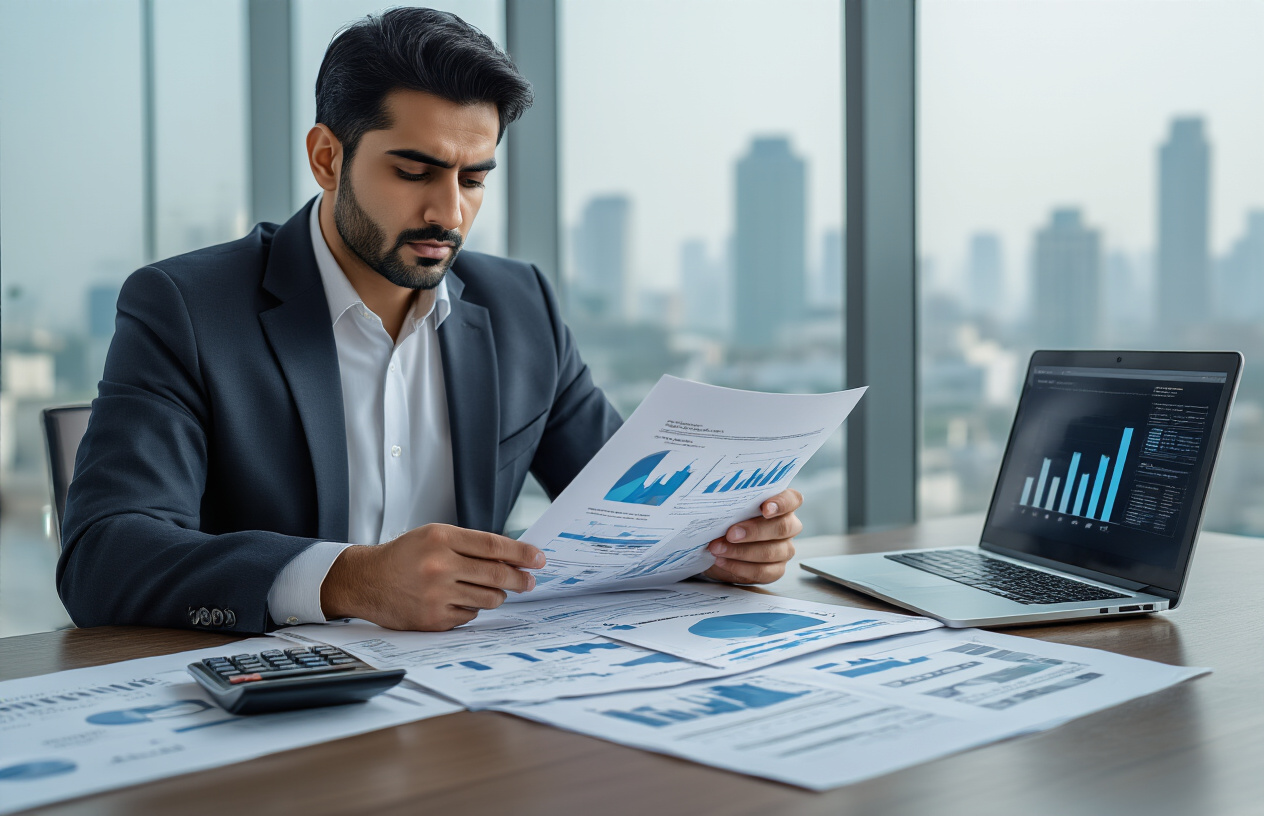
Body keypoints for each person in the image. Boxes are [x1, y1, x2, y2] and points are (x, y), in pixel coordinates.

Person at [57, 7, 804, 634]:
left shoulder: (522, 308)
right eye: (413, 172)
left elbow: (627, 516)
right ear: (327, 157)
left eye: (473, 178)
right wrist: (349, 580)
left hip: (473, 712)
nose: (448, 212)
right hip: (273, 718)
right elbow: (104, 556)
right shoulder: (186, 307)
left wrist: (721, 543)